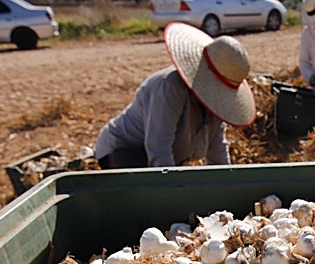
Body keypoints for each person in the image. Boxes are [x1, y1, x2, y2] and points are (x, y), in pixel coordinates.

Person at [92, 22, 256, 168]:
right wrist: (172, 188)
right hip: (125, 151)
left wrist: (225, 183)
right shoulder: (169, 87)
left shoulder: (216, 105)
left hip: (160, 157)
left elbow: (218, 150)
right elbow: (159, 149)